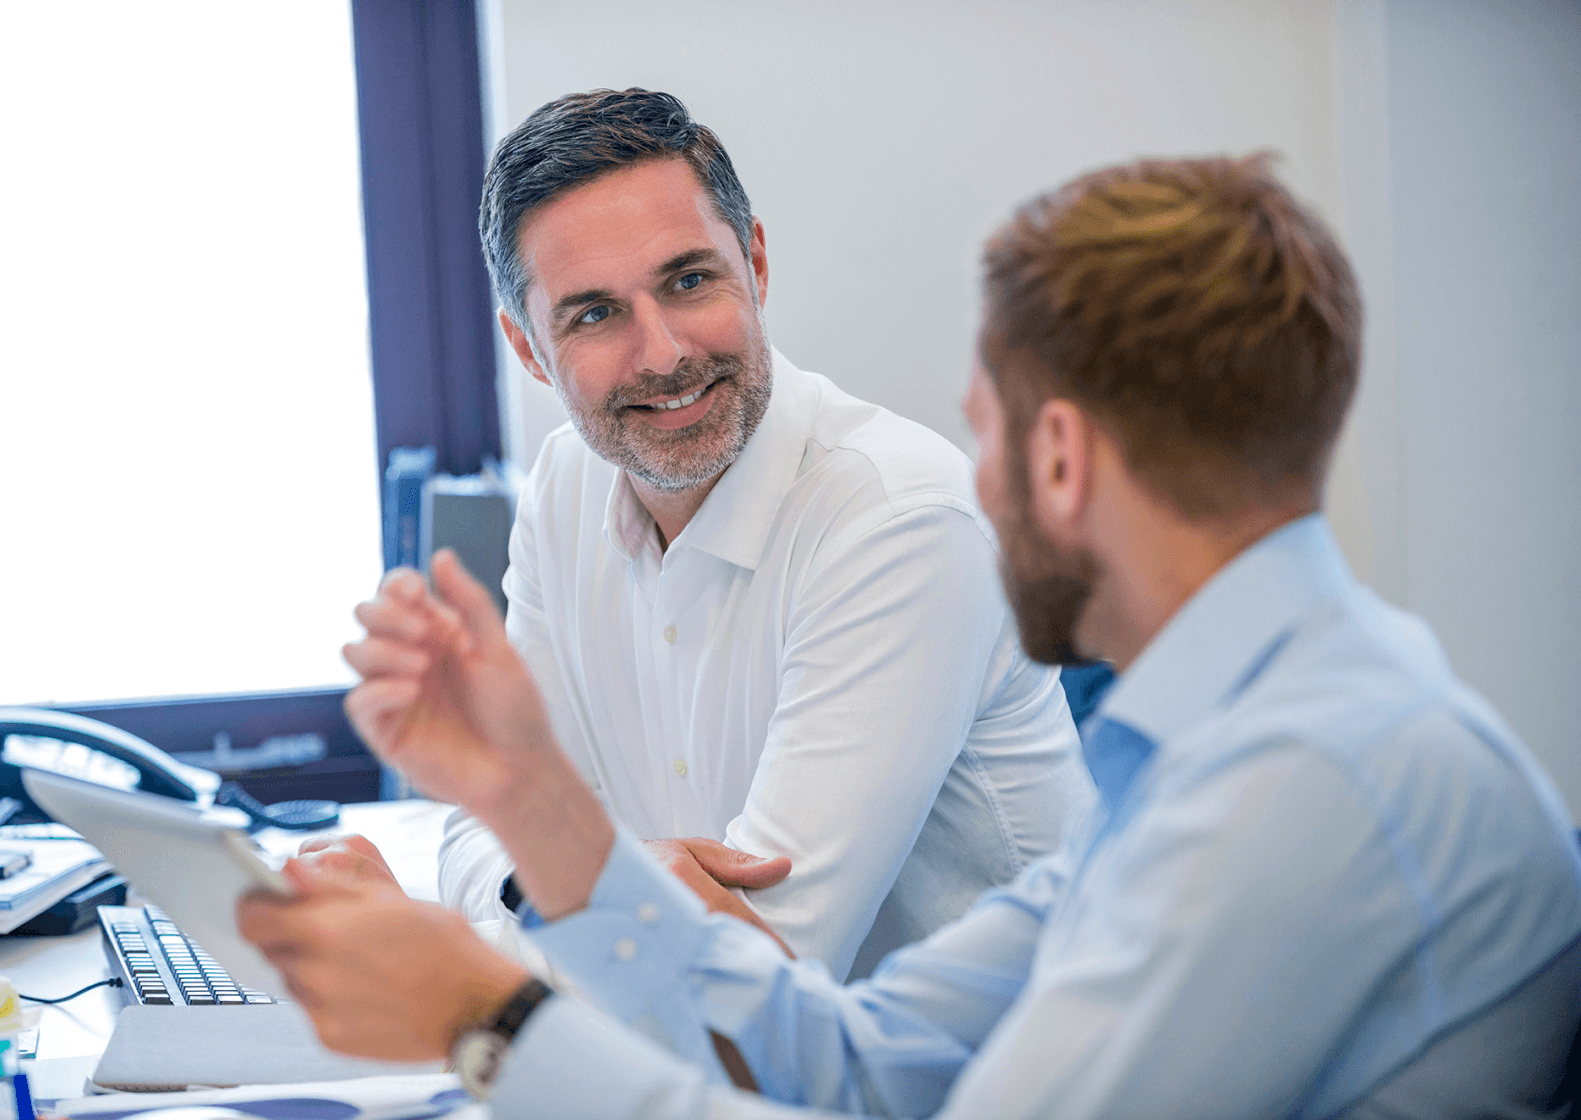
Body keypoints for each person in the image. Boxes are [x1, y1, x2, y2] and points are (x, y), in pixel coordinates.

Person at [241, 154, 1581, 1116]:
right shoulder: (1221, 745)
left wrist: (489, 1020)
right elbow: (859, 1059)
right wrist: (531, 806)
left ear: (1055, 458)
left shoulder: (1308, 783)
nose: (969, 479)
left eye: (981, 429)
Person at [328, 87, 1090, 981]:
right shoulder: (565, 490)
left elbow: (758, 975)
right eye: (594, 314)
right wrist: (595, 890)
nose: (663, 354)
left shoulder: (900, 521)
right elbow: (492, 819)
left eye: (689, 281)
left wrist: (471, 935)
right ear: (529, 350)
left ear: (755, 263)